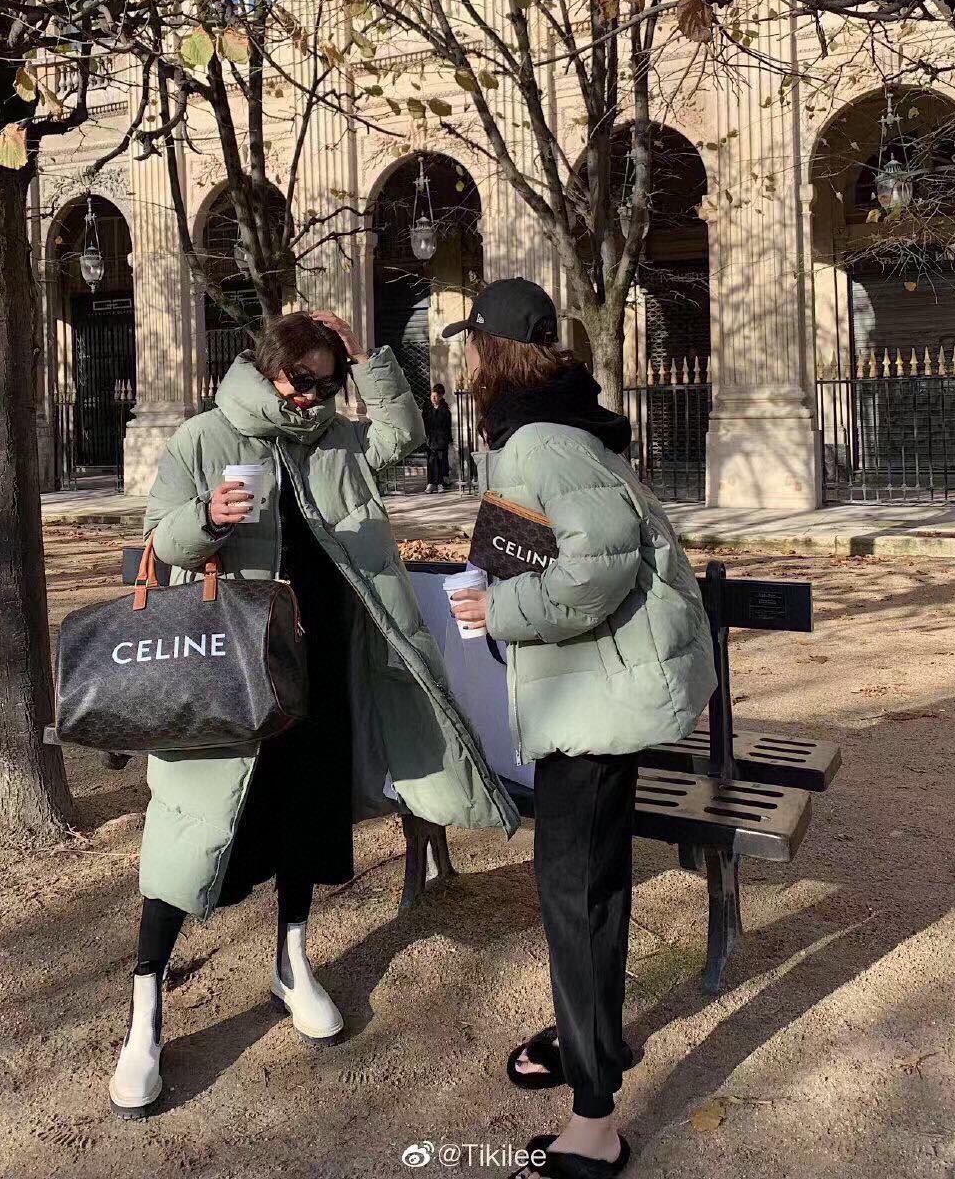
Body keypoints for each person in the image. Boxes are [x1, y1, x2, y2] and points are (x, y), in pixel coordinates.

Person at [109, 310, 518, 1119]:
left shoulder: (337, 442)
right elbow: (160, 542)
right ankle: (145, 1010)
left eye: (329, 384)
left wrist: (364, 358)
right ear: (265, 367)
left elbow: (403, 435)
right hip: (229, 679)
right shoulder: (204, 437)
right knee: (191, 839)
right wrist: (209, 519)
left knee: (305, 818)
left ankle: (292, 960)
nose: (314, 397)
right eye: (303, 381)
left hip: (321, 668)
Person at [444, 279, 717, 1179]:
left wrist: (498, 610)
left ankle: (596, 1123)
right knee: (586, 885)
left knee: (578, 894)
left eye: (469, 344)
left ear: (490, 350)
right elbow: (560, 549)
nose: (463, 359)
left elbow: (595, 573)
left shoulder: (541, 441)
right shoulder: (554, 427)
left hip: (596, 708)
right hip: (591, 696)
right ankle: (584, 1037)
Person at [423, 382, 453, 494]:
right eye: (432, 396)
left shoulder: (445, 410)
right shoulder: (428, 409)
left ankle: (440, 483)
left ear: (440, 397)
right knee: (431, 461)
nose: (433, 398)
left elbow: (447, 426)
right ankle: (431, 483)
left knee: (440, 461)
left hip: (441, 440)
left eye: (436, 396)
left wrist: (449, 439)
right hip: (431, 439)